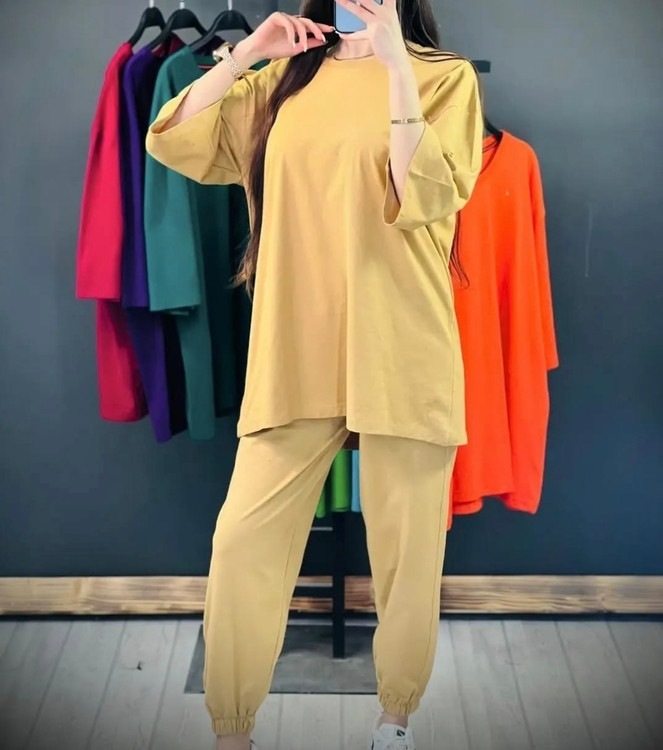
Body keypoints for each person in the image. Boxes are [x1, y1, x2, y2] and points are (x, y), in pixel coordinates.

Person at [146, 0, 483, 746]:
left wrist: (397, 68)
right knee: (242, 541)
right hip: (294, 343)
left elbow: (423, 196)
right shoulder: (283, 81)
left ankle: (394, 721)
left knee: (408, 552)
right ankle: (232, 730)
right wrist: (246, 54)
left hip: (402, 343)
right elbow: (172, 137)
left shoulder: (444, 77)